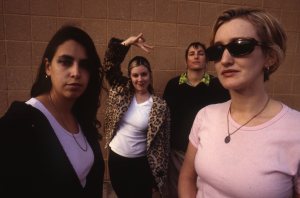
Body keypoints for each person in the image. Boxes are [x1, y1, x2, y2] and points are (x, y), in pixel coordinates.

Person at [178, 7, 300, 198]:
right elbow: (186, 178)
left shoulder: (295, 130)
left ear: (270, 56)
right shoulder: (205, 115)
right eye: (217, 51)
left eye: (241, 46)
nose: (225, 60)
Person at [0, 25, 105, 198]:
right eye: (66, 62)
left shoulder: (79, 116)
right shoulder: (21, 120)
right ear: (48, 67)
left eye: (84, 65)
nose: (76, 73)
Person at [103, 33, 170, 198]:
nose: (140, 79)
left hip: (141, 164)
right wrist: (126, 44)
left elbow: (163, 145)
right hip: (117, 159)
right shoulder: (121, 91)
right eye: (135, 75)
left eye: (144, 74)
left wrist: (157, 179)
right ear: (130, 77)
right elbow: (109, 65)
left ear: (150, 75)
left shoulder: (159, 106)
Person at [163, 42, 230, 197]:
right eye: (192, 53)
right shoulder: (173, 85)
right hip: (177, 152)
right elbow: (166, 118)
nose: (196, 56)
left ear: (206, 59)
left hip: (206, 153)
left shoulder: (218, 86)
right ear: (186, 60)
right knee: (176, 191)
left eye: (200, 53)